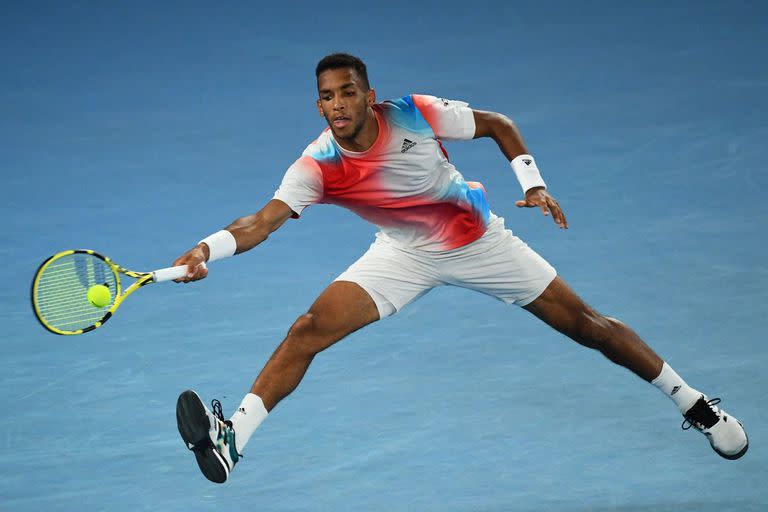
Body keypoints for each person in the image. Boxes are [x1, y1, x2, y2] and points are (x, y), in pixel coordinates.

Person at [172, 53, 748, 484]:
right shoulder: (317, 164)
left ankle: (692, 402)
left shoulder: (414, 114)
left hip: (478, 242)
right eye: (327, 97)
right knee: (307, 330)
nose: (338, 104)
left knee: (587, 325)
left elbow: (498, 124)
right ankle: (233, 438)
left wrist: (533, 183)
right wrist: (205, 248)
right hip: (402, 253)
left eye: (348, 92)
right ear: (319, 105)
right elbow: (262, 221)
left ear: (370, 95)